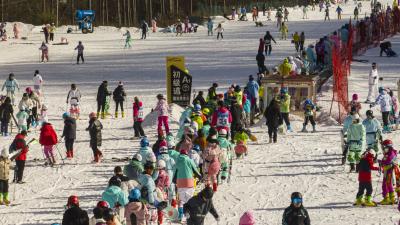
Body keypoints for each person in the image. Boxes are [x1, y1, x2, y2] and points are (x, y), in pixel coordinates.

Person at [175, 148, 202, 221]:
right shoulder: (189, 160)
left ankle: (181, 216)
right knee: (190, 200)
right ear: (186, 154)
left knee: (181, 200)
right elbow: (195, 170)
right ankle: (190, 215)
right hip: (189, 182)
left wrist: (174, 181)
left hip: (180, 183)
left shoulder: (177, 161)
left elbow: (175, 172)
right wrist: (199, 176)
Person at [379, 139, 398, 205]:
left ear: (388, 147)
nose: (384, 149)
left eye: (384, 147)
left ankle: (386, 198)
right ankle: (391, 198)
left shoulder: (391, 153)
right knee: (388, 184)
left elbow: (388, 160)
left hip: (389, 171)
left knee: (385, 184)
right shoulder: (389, 152)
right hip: (387, 171)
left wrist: (382, 162)